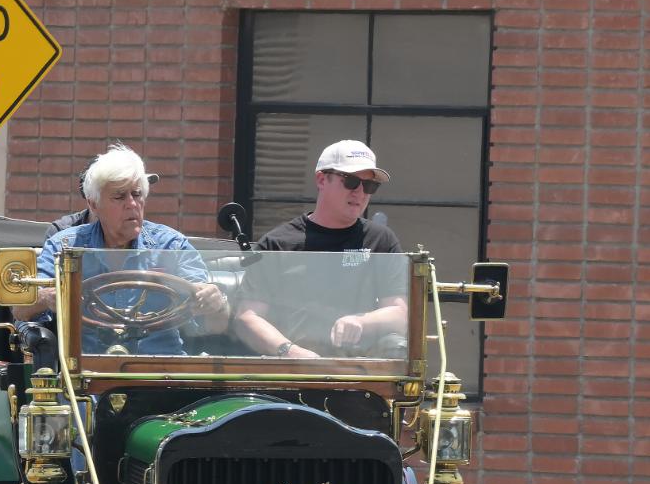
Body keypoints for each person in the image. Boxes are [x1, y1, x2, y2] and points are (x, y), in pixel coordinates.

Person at [35, 144, 228, 354]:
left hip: (161, 373)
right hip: (86, 373)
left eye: (136, 194)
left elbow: (217, 324)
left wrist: (216, 303)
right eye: (119, 197)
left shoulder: (171, 245)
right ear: (93, 205)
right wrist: (46, 297)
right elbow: (21, 309)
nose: (132, 204)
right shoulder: (64, 246)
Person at [234, 140, 408, 358]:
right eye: (352, 181)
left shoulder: (381, 239)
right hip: (293, 373)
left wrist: (361, 321)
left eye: (370, 186)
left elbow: (400, 314)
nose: (360, 193)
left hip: (361, 375)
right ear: (321, 179)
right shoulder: (277, 243)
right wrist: (290, 353)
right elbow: (248, 317)